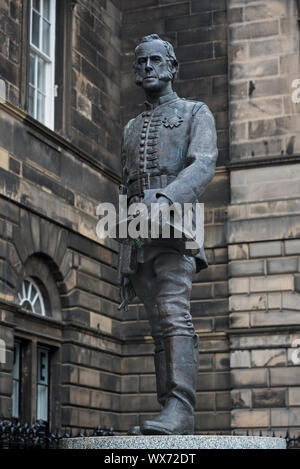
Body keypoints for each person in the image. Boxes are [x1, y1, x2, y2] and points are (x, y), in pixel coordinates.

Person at [117, 34, 218, 435]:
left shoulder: (195, 112)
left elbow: (203, 164)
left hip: (175, 227)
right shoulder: (130, 126)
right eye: (140, 62)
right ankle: (168, 411)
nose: (147, 67)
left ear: (173, 67)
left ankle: (181, 408)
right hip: (138, 233)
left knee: (175, 314)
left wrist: (165, 197)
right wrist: (124, 249)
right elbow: (126, 184)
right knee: (157, 324)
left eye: (155, 61)